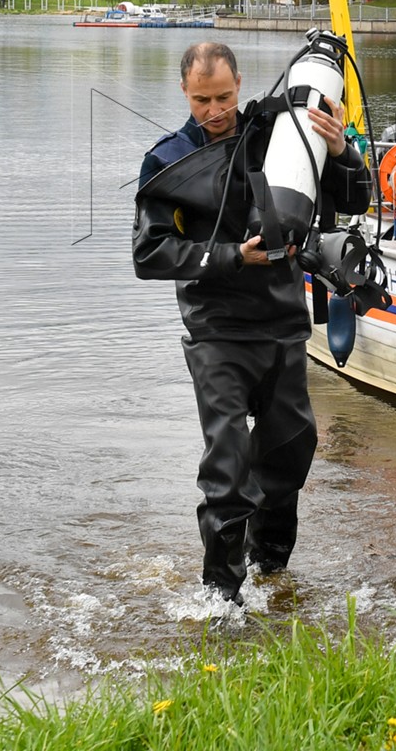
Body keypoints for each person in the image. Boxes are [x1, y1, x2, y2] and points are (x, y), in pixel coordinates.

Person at [132, 41, 370, 604]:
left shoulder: (280, 137)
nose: (214, 111)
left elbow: (356, 200)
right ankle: (220, 600)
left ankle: (272, 575)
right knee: (229, 466)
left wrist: (340, 151)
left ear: (239, 84)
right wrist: (232, 256)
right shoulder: (169, 160)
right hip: (217, 332)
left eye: (223, 97)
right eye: (201, 101)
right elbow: (149, 255)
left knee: (290, 454)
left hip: (283, 324)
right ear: (184, 92)